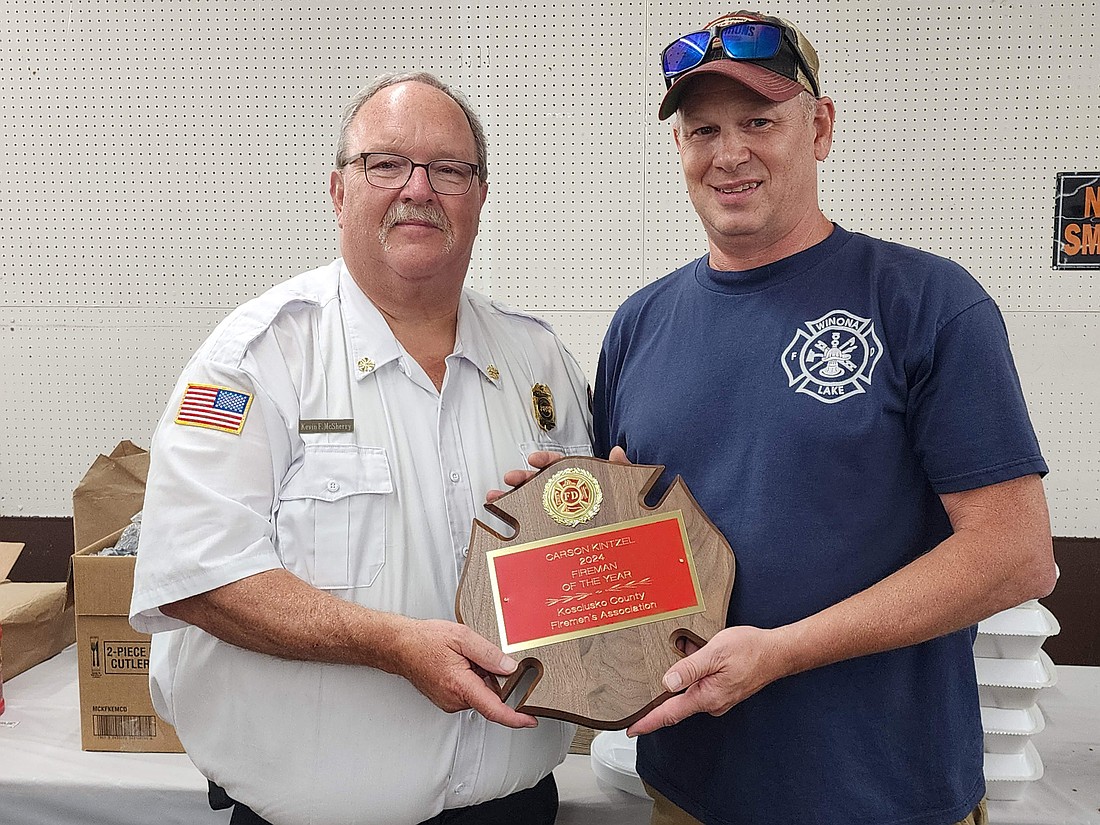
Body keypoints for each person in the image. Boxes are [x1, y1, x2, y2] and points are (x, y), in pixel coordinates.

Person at [591, 10, 1055, 825]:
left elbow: (1016, 557)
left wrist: (781, 653)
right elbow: (619, 545)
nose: (729, 153)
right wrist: (555, 511)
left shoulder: (927, 303)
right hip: (690, 790)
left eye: (759, 121)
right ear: (679, 150)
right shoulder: (639, 323)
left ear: (821, 127)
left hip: (885, 792)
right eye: (703, 130)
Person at [129, 71, 593, 825]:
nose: (419, 189)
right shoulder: (257, 357)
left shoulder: (540, 360)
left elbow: (586, 566)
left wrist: (575, 523)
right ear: (340, 192)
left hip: (511, 806)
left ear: (479, 197)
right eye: (386, 164)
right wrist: (393, 643)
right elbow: (197, 574)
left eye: (450, 170)